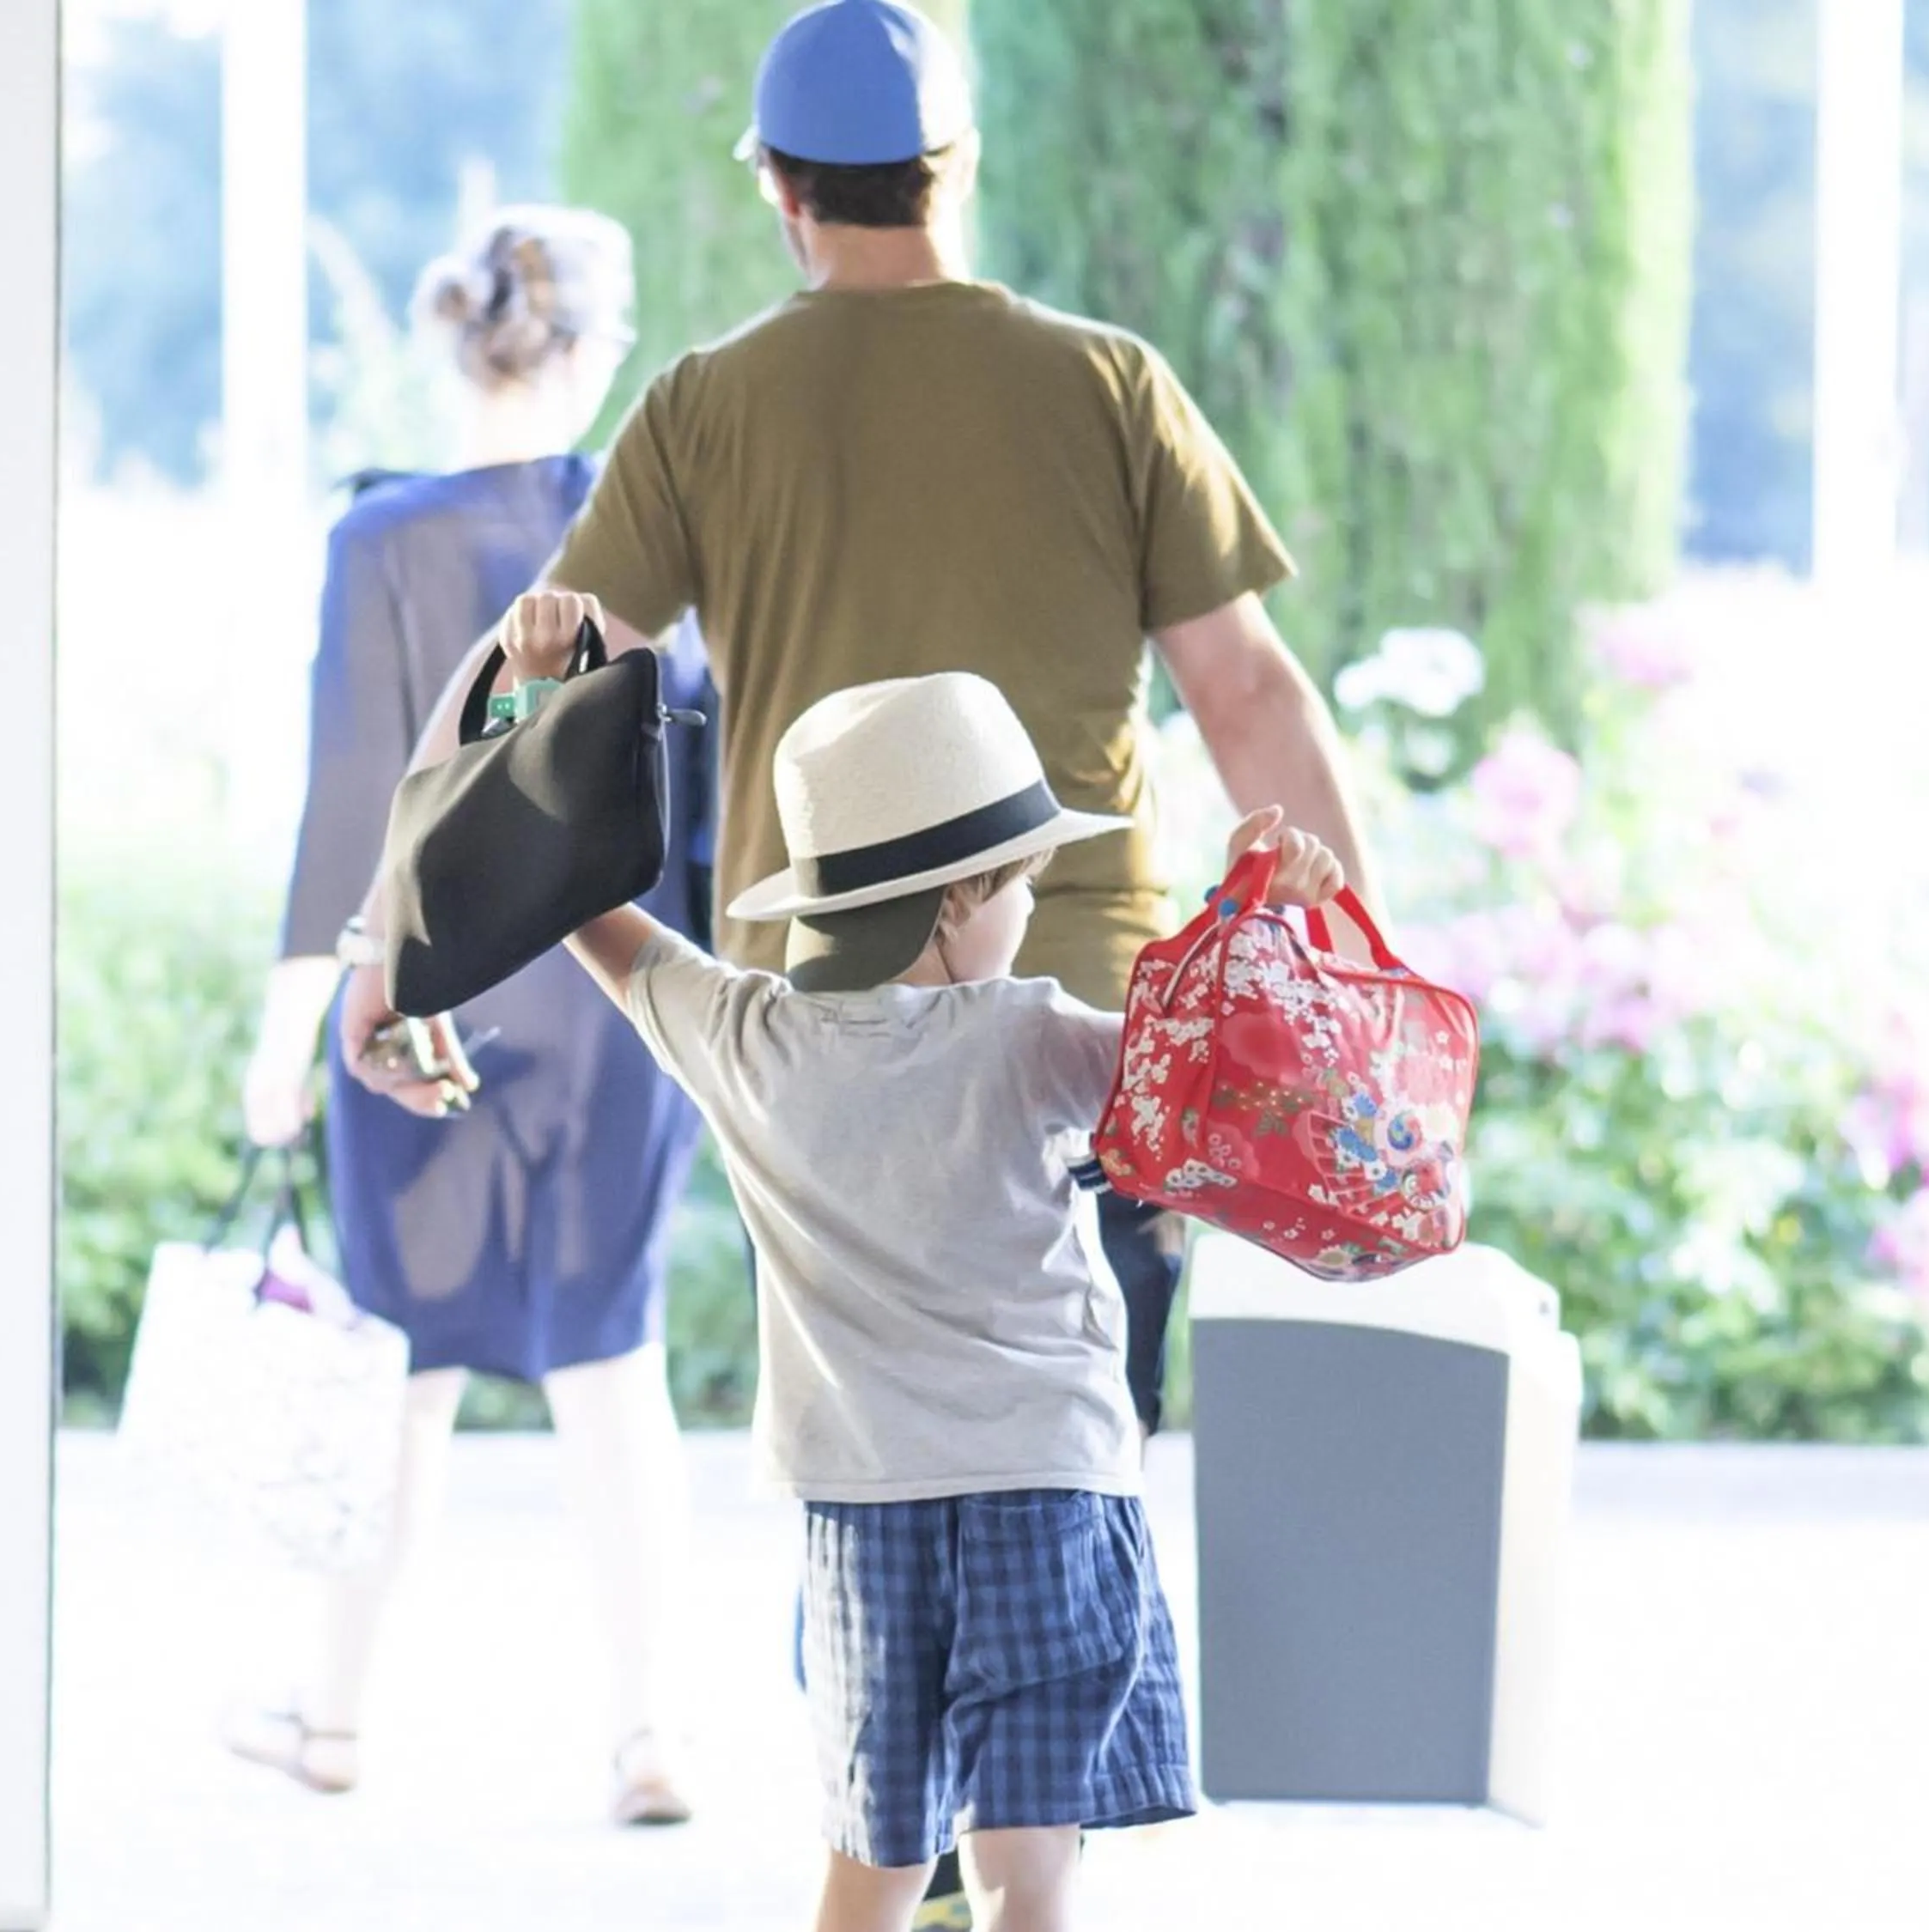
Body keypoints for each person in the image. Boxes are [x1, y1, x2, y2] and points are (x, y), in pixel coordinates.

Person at [338, 6, 1372, 1915]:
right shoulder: (1110, 383)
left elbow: (523, 684)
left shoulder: (713, 403)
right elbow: (1249, 698)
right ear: (953, 167)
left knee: (882, 1484)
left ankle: (897, 1832)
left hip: (825, 1050)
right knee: (1060, 1462)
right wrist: (1341, 995)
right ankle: (1009, 1869)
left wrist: (388, 961)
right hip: (1097, 1050)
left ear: (781, 191)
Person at [476, 591, 1353, 1932]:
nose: (1027, 910)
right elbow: (1221, 1094)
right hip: (1047, 1483)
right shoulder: (1035, 1036)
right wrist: (1263, 917)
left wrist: (538, 700)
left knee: (872, 1859)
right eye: (1017, 885)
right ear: (955, 902)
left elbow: (583, 907)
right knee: (1027, 1869)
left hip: (862, 1501)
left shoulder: (743, 1039)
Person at [233, 207, 710, 1826]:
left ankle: (337, 1716)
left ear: (459, 341)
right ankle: (650, 1737)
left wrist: (286, 1038)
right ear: (590, 351)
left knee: (404, 1375)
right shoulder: (654, 542)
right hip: (621, 1001)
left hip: (416, 1007)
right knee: (613, 1368)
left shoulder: (379, 542)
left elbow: (351, 806)